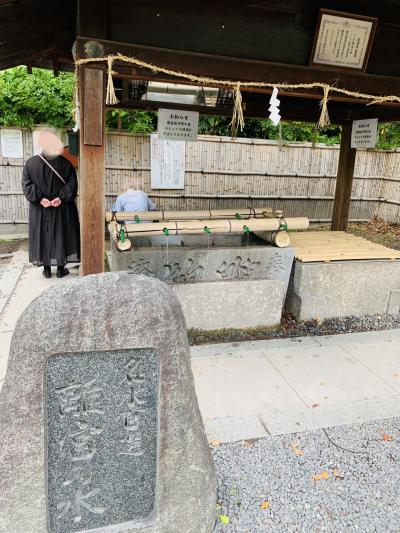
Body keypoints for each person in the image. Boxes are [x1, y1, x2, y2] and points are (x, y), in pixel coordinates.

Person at [21, 129, 80, 278]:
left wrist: (40, 198)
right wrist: (60, 197)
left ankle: (46, 270)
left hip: (40, 208)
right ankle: (60, 269)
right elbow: (72, 184)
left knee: (42, 235)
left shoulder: (31, 163)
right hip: (61, 207)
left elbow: (26, 184)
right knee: (61, 234)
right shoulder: (65, 163)